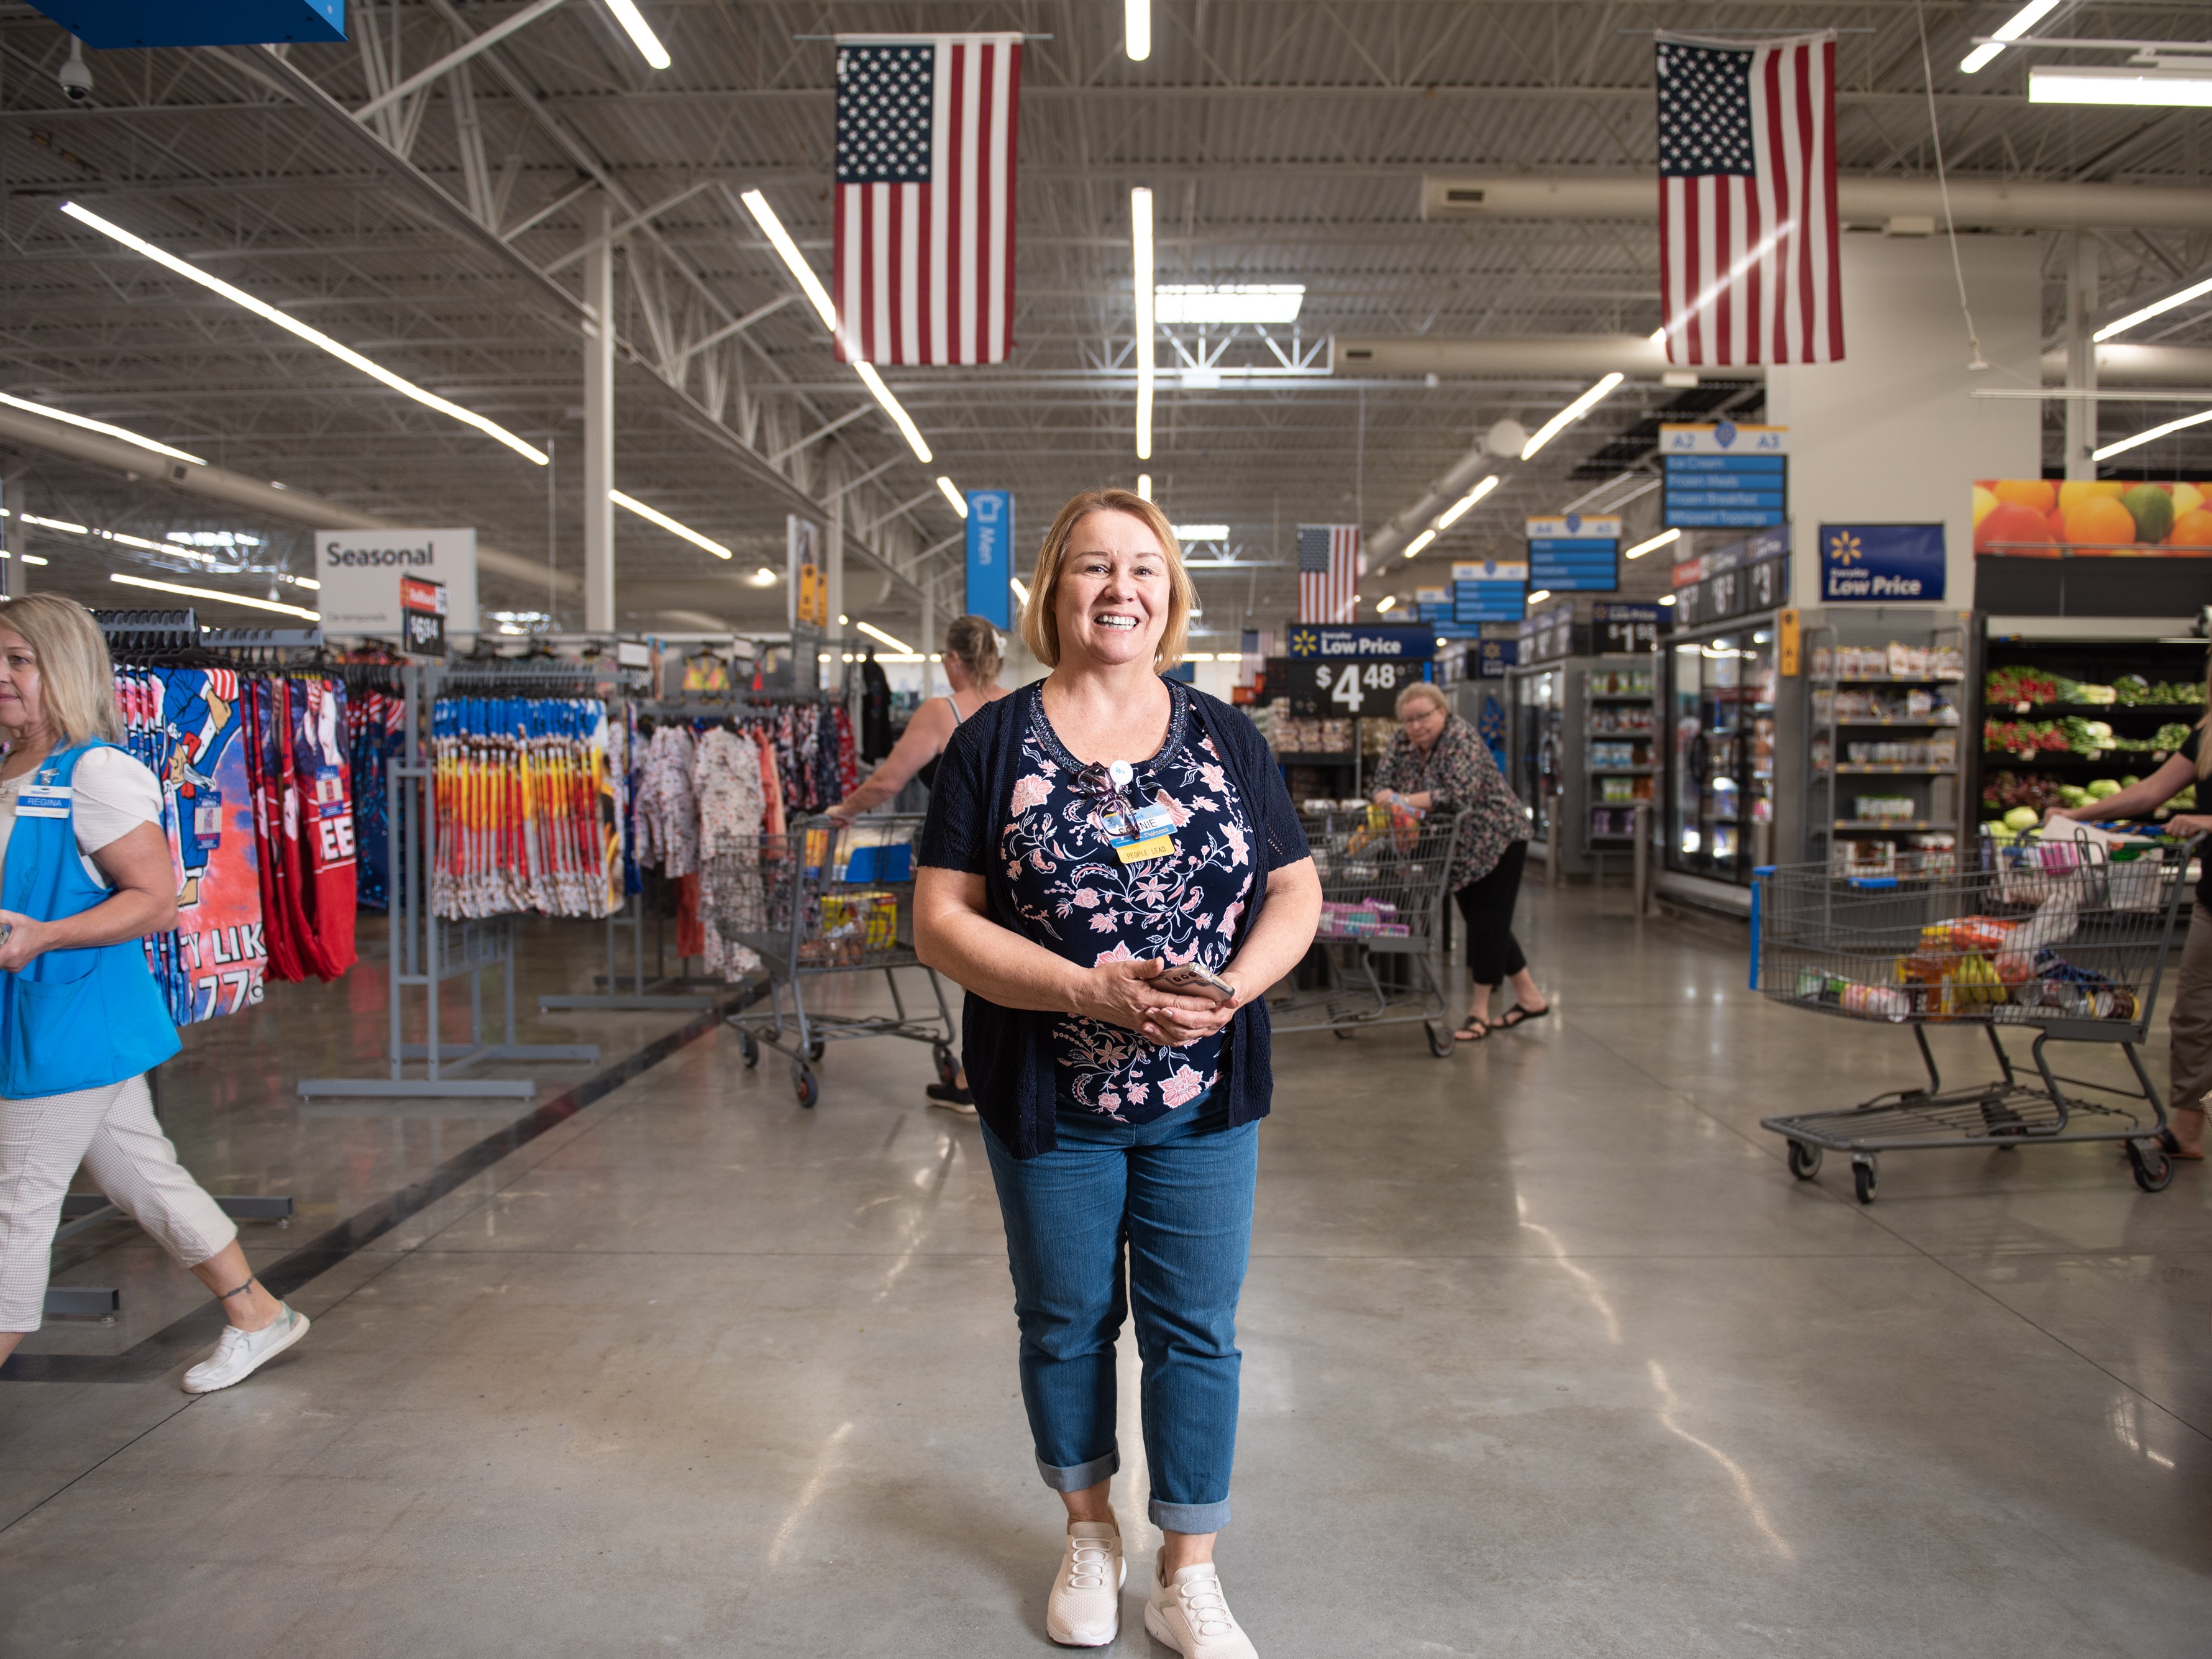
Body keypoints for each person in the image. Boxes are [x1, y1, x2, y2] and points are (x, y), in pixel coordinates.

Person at [913, 489, 1321, 1657]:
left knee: (1197, 1330)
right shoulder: (992, 742)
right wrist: (1085, 990)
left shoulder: (1228, 736)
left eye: (1143, 567)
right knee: (1065, 1322)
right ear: (1055, 588)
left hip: (1205, 1101)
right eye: (1093, 566)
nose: (1120, 588)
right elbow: (940, 921)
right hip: (1051, 1099)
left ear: (1170, 594)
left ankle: (1189, 1571)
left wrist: (1231, 988)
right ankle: (1090, 1531)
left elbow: (1294, 889)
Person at [0, 595, 308, 1389]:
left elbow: (155, 901)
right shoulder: (9, 767)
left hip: (69, 1024)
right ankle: (258, 1314)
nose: (1, 676)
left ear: (64, 668)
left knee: (16, 1205)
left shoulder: (95, 773)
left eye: (19, 660)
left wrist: (45, 934)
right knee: (141, 1173)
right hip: (33, 1022)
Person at [826, 615, 1012, 1112]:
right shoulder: (1017, 703)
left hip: (968, 860)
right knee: (1012, 963)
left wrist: (845, 810)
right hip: (1019, 855)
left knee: (978, 967)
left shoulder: (941, 711)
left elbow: (888, 781)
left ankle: (976, 1082)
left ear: (953, 660)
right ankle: (991, 1076)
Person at [2047, 725, 2212, 1159]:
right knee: (2195, 1019)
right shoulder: (2207, 733)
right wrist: (2077, 816)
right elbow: (2151, 791)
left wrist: (2208, 822)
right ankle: (2188, 1132)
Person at [1371, 679, 1547, 1041]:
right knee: (1488, 923)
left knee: (1487, 924)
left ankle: (1479, 1012)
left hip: (1498, 838)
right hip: (1456, 848)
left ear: (1443, 711)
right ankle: (1530, 998)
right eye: (1409, 720)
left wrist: (1399, 800)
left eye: (1424, 716)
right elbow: (1379, 786)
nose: (1416, 726)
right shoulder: (1401, 743)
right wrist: (1395, 797)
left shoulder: (1460, 738)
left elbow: (1457, 794)